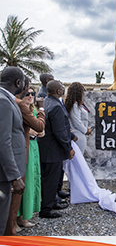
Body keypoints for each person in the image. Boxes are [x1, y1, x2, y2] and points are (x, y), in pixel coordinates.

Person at [3, 72, 36, 235]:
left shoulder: (8, 99)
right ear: (18, 82)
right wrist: (14, 176)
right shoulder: (4, 101)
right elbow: (3, 141)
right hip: (6, 174)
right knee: (3, 223)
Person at [38, 80, 73, 220]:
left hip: (47, 148)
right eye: (62, 88)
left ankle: (51, 202)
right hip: (53, 150)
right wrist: (68, 148)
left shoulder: (47, 101)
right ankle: (46, 209)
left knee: (49, 179)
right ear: (58, 91)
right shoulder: (56, 106)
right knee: (50, 180)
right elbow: (60, 131)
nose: (63, 90)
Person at [65, 82, 91, 156]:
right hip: (77, 134)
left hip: (80, 133)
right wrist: (86, 130)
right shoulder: (74, 105)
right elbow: (76, 121)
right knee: (78, 159)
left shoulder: (77, 104)